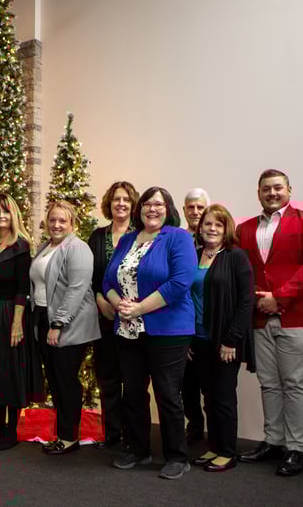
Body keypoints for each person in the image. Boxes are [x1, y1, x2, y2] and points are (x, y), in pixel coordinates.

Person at [237, 169, 303, 477]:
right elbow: (243, 272)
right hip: (260, 319)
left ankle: (296, 448)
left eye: (278, 187)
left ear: (289, 189)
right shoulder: (245, 228)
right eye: (266, 189)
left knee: (295, 384)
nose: (272, 193)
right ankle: (273, 441)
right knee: (269, 383)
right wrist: (258, 298)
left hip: (296, 318)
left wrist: (279, 297)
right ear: (258, 193)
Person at [103, 186, 196, 480]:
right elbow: (107, 280)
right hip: (128, 329)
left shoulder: (178, 237)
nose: (151, 209)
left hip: (168, 329)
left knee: (167, 393)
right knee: (132, 392)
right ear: (139, 209)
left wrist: (139, 308)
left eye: (158, 204)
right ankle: (138, 449)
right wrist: (119, 305)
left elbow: (180, 282)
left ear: (168, 209)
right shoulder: (128, 239)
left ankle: (177, 456)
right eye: (146, 204)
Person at [189, 204, 255, 473]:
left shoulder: (236, 256)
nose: (212, 229)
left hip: (224, 340)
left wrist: (231, 340)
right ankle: (214, 446)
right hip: (198, 339)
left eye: (218, 224)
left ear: (227, 228)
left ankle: (227, 452)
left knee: (224, 397)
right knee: (208, 396)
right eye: (207, 224)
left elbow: (246, 301)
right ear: (200, 227)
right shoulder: (194, 256)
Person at [31, 201, 101, 455]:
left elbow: (76, 289)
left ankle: (69, 437)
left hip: (69, 323)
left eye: (62, 220)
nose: (57, 225)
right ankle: (62, 434)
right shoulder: (46, 247)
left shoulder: (78, 248)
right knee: (56, 380)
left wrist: (58, 324)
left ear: (72, 223)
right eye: (52, 220)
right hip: (44, 318)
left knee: (65, 380)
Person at [0, 194, 43, 452]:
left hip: (11, 314)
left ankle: (11, 430)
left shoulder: (21, 247)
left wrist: (17, 323)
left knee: (11, 369)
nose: (1, 216)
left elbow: (22, 288)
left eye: (5, 211)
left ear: (13, 214)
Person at [87, 181, 139, 449]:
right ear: (109, 203)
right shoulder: (97, 237)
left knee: (132, 379)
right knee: (107, 378)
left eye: (126, 199)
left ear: (133, 204)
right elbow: (89, 275)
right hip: (104, 317)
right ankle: (112, 433)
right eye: (117, 199)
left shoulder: (141, 235)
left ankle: (133, 435)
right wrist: (99, 299)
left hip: (134, 317)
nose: (121, 204)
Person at [180, 188, 210, 444]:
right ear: (183, 210)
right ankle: (195, 426)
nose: (195, 211)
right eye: (191, 207)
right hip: (182, 323)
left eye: (200, 207)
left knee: (211, 387)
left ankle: (217, 436)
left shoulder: (218, 241)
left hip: (208, 325)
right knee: (186, 385)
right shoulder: (178, 239)